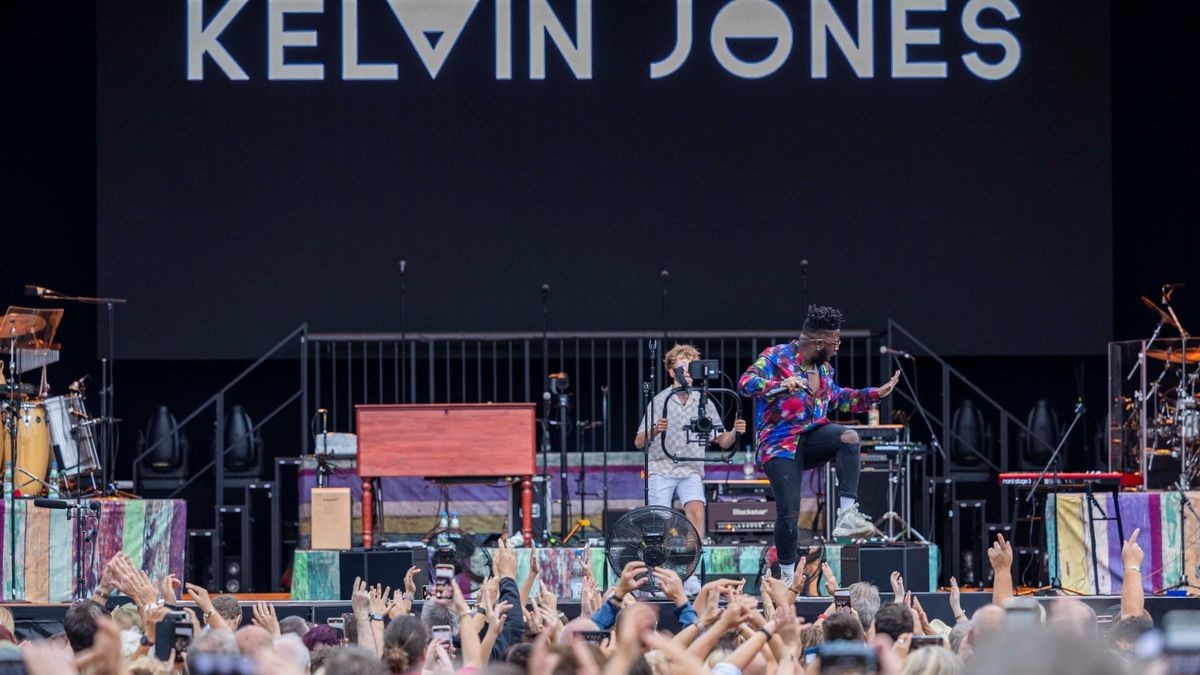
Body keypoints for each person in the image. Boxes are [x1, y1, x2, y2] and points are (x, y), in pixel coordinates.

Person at [738, 304, 900, 585]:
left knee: (849, 437)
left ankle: (846, 514)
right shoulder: (777, 357)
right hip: (780, 445)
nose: (838, 347)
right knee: (789, 512)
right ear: (820, 342)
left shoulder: (824, 368)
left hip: (812, 437)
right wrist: (779, 384)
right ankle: (787, 577)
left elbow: (837, 397)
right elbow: (745, 383)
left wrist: (874, 394)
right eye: (836, 342)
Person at [634, 343, 746, 539]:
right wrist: (655, 429)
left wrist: (735, 431)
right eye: (682, 367)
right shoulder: (660, 400)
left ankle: (693, 558)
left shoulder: (705, 401)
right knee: (661, 519)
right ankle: (663, 561)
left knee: (696, 512)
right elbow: (638, 441)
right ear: (671, 371)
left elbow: (722, 441)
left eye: (690, 367)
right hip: (661, 467)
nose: (687, 372)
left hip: (691, 468)